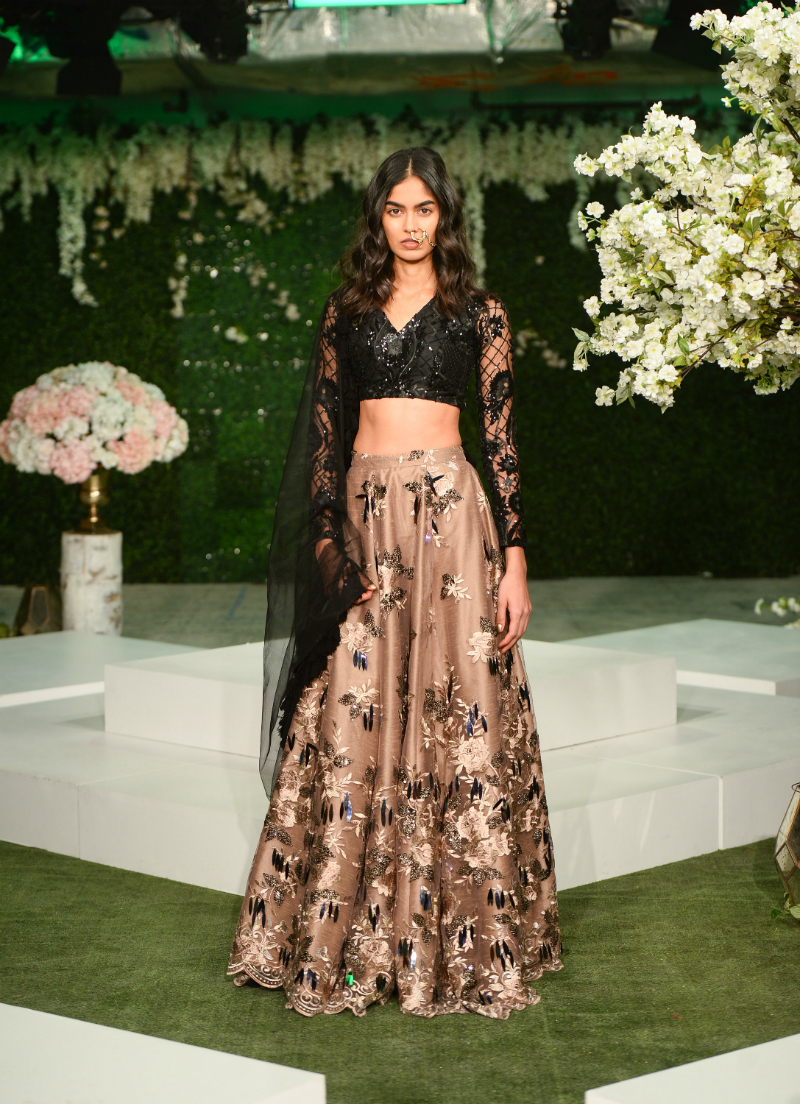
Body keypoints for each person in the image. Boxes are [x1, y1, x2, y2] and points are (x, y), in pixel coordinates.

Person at [228, 146, 563, 1019]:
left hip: (454, 523)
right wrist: (328, 546)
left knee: (462, 707)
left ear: (445, 216)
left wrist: (515, 558)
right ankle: (344, 940)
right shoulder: (346, 311)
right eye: (395, 209)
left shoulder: (481, 314)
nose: (411, 225)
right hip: (367, 521)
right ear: (378, 217)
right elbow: (324, 436)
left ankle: (471, 939)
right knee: (350, 705)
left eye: (425, 209)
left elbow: (501, 442)